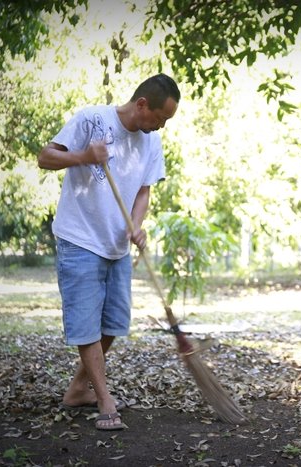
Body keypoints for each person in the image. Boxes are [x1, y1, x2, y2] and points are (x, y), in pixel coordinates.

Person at [38, 73, 180, 430]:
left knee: (113, 323)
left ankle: (77, 390)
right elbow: (45, 157)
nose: (160, 126)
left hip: (116, 245)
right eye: (160, 118)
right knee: (86, 325)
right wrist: (85, 155)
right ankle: (104, 399)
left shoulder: (151, 143)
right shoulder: (92, 119)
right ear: (142, 104)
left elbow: (144, 190)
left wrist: (136, 223)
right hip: (80, 237)